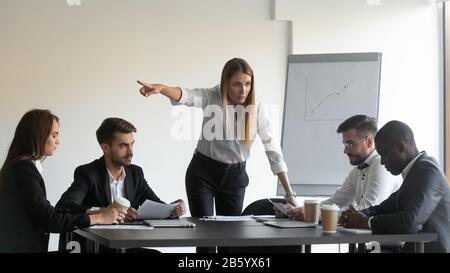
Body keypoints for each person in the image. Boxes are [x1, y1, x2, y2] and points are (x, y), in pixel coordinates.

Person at [137, 58, 297, 219]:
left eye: (248, 83)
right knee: (204, 233)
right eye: (237, 84)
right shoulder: (212, 96)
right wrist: (162, 88)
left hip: (235, 178)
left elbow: (273, 150)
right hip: (202, 173)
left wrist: (289, 193)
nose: (243, 90)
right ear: (225, 83)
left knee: (229, 237)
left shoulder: (258, 109)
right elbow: (187, 96)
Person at [0, 109, 124, 253]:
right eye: (54, 135)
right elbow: (49, 220)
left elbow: (50, 212)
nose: (58, 141)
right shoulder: (23, 169)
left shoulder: (21, 166)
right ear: (38, 135)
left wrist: (95, 212)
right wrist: (99, 218)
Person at [56, 117, 186, 251]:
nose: (131, 152)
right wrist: (104, 211)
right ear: (105, 148)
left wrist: (173, 209)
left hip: (127, 246)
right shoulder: (88, 173)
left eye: (132, 144)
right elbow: (65, 206)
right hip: (97, 247)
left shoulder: (136, 173)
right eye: (123, 146)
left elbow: (156, 206)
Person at [341, 120, 450, 253]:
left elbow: (410, 222)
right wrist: (353, 215)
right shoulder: (414, 172)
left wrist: (365, 222)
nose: (381, 161)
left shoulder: (428, 171)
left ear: (401, 147)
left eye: (384, 154)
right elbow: (384, 208)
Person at [276, 115, 401, 220]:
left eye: (350, 143)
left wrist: (316, 214)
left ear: (369, 141)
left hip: (387, 246)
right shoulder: (357, 171)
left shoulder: (382, 165)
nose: (345, 151)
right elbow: (334, 202)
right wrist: (298, 210)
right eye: (345, 144)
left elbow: (367, 210)